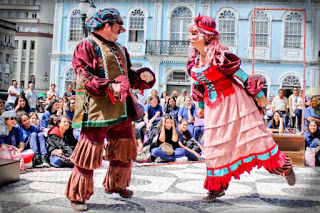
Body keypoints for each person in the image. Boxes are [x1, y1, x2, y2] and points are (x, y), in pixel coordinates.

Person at [187, 14, 295, 203]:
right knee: (214, 148)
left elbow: (243, 76)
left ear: (205, 36)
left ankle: (283, 167)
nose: (190, 35)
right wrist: (201, 106)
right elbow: (200, 86)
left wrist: (260, 97)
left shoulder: (220, 56)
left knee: (253, 139)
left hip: (233, 101)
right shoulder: (194, 62)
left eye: (195, 32)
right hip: (214, 108)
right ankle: (217, 188)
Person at [64, 8, 155, 211]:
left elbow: (129, 76)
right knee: (88, 152)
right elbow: (84, 76)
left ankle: (117, 184)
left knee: (124, 148)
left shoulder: (121, 49)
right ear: (107, 26)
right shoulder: (86, 45)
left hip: (121, 108)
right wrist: (108, 86)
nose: (121, 30)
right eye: (118, 26)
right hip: (97, 108)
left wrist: (141, 78)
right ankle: (78, 195)